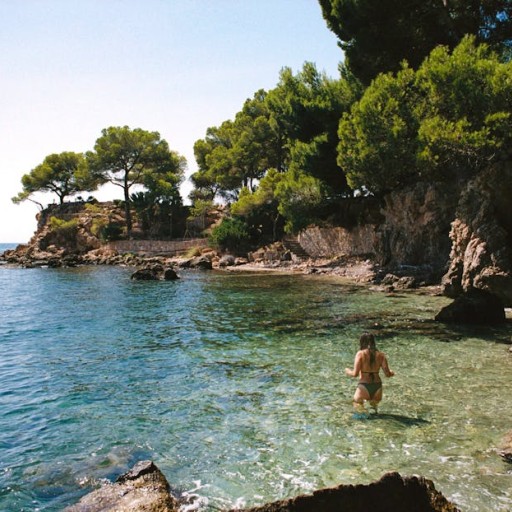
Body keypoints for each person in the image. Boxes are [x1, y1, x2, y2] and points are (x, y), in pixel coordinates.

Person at [345, 333, 394, 413]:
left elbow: (355, 374)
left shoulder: (360, 354)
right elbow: (387, 374)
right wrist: (392, 373)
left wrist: (348, 371)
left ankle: (364, 417)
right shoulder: (381, 355)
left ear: (362, 342)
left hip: (364, 385)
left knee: (357, 404)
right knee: (374, 411)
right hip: (377, 386)